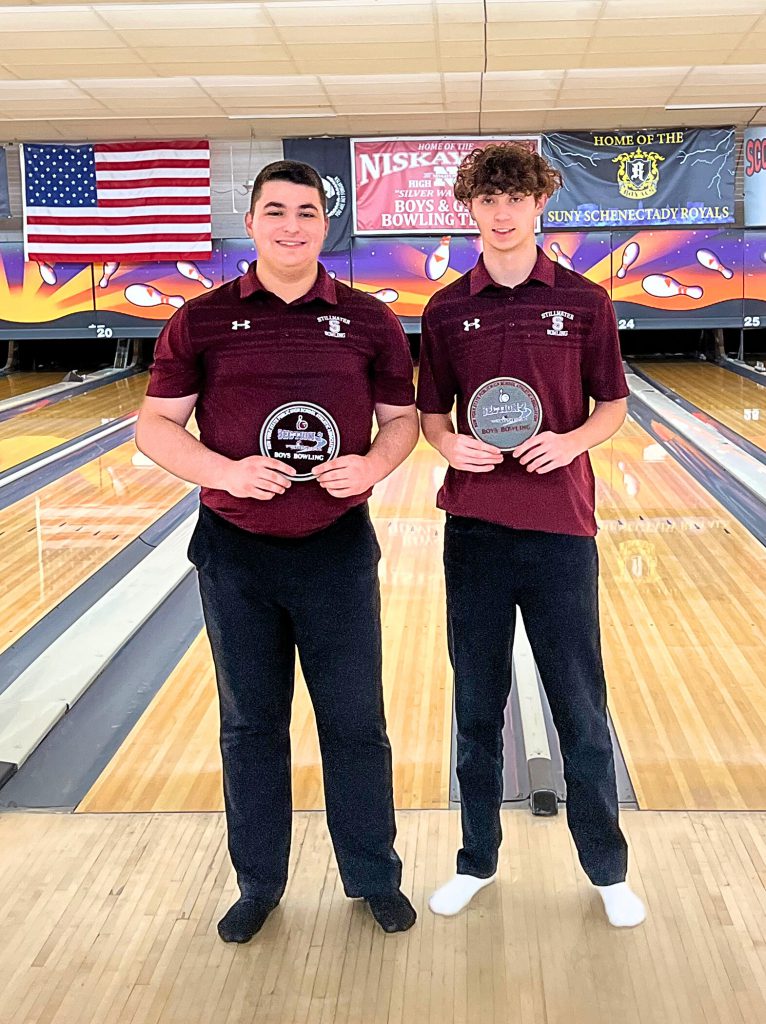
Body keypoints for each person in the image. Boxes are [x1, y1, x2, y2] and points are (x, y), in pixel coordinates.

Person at [136, 159, 419, 942]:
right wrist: (225, 470)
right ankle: (259, 882)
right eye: (275, 210)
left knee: (356, 723)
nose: (290, 224)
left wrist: (371, 463)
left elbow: (400, 420)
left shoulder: (369, 319)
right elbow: (154, 425)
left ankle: (372, 876)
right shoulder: (201, 319)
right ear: (250, 221)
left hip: (335, 548)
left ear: (324, 225)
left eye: (305, 211)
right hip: (235, 553)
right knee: (251, 726)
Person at [416, 143, 646, 928]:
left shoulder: (586, 302)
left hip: (560, 531)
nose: (504, 212)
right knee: (476, 708)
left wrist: (573, 441)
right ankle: (476, 860)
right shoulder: (446, 309)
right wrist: (449, 445)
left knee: (580, 707)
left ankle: (608, 870)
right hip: (474, 531)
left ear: (540, 204)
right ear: (471, 209)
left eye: (518, 197)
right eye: (489, 199)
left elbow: (612, 405)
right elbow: (429, 414)